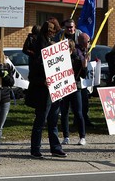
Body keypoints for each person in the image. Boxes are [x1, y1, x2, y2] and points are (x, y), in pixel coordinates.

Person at [27, 21, 67, 158]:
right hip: (43, 93)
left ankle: (55, 148)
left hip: (55, 91)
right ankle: (35, 149)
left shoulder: (55, 48)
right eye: (50, 32)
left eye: (54, 32)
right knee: (40, 121)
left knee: (53, 121)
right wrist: (42, 81)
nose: (52, 34)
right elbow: (32, 75)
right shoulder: (38, 54)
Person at [60, 39, 88, 146]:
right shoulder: (61, 60)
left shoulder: (77, 59)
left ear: (71, 49)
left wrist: (84, 66)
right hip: (64, 88)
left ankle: (82, 136)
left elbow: (83, 75)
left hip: (76, 87)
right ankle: (66, 136)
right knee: (64, 113)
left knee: (78, 113)